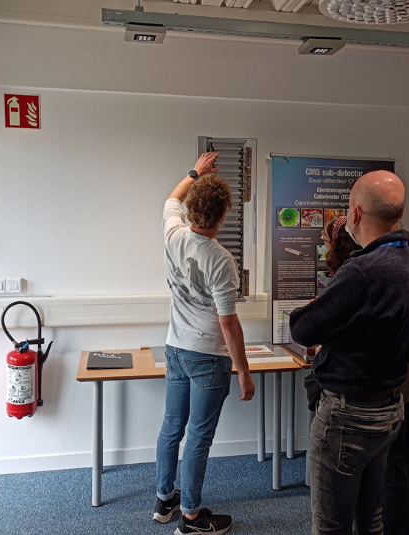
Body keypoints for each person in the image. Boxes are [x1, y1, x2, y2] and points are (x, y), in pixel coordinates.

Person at [290, 171, 409, 535]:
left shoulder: (362, 271)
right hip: (388, 409)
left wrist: (322, 309)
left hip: (347, 417)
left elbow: (302, 329)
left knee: (332, 525)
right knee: (372, 517)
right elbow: (374, 327)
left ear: (354, 214)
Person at [317, 215, 409, 535]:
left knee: (390, 463)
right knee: (404, 453)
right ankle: (401, 525)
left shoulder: (363, 261)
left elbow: (311, 326)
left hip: (381, 379)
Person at [152, 153, 255, 535]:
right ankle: (192, 517)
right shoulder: (222, 261)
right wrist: (244, 372)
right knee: (198, 436)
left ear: (192, 208)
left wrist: (196, 171)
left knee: (172, 427)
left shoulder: (173, 232)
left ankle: (165, 501)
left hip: (175, 348)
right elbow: (228, 323)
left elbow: (171, 198)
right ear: (224, 214)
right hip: (207, 356)